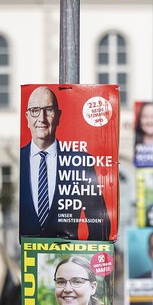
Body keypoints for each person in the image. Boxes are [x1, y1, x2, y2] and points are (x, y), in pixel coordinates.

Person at [19, 86, 111, 240]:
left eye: (48, 110)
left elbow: (100, 225)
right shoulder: (18, 159)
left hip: (69, 258)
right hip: (27, 258)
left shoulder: (80, 162)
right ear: (27, 117)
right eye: (35, 110)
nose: (41, 118)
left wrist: (83, 255)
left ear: (58, 116)